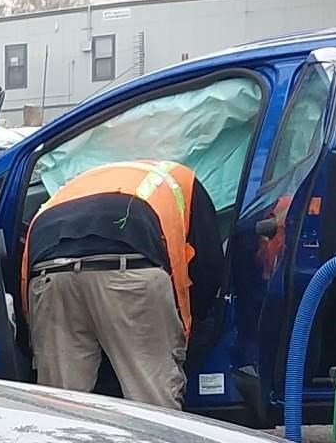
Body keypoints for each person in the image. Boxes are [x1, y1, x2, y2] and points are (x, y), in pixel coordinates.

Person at [20, 158, 224, 410]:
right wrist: (200, 321)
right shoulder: (180, 179)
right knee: (151, 396)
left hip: (50, 275)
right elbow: (209, 262)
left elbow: (24, 266)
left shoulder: (75, 186)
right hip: (129, 274)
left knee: (61, 404)